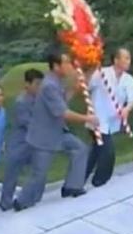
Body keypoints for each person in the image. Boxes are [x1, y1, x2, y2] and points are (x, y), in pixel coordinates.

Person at [13, 48, 99, 211]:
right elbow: (63, 112)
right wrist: (87, 119)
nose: (69, 66)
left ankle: (72, 187)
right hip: (43, 137)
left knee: (80, 149)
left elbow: (63, 100)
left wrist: (77, 86)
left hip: (58, 133)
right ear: (56, 66)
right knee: (39, 176)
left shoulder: (55, 82)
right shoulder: (49, 86)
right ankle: (21, 202)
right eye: (66, 62)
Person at [85, 48, 133, 187]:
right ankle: (99, 180)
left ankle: (77, 181)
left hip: (111, 121)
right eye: (125, 58)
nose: (127, 61)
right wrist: (90, 69)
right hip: (96, 120)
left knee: (95, 152)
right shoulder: (101, 73)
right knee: (108, 151)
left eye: (129, 58)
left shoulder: (128, 79)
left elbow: (132, 99)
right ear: (116, 60)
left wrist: (126, 109)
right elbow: (86, 86)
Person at [0, 69, 44, 211]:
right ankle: (5, 202)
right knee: (12, 174)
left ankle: (32, 198)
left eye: (40, 84)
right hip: (19, 143)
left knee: (39, 170)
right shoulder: (21, 101)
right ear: (27, 84)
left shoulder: (39, 99)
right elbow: (28, 123)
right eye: (37, 84)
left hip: (34, 143)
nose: (39, 87)